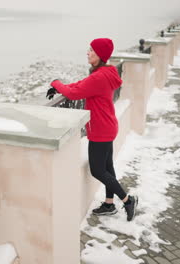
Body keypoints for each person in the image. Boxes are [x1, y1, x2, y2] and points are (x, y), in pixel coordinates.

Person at [46, 38, 138, 221]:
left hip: (101, 129)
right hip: (108, 125)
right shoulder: (104, 73)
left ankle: (128, 200)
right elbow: (80, 86)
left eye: (92, 51)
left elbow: (74, 93)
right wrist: (61, 88)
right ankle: (109, 204)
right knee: (107, 167)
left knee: (97, 170)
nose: (88, 53)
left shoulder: (99, 76)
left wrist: (56, 83)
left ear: (100, 56)